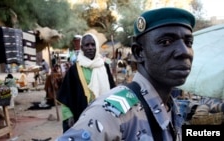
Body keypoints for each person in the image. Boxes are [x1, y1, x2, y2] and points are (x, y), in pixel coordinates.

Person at [55, 7, 195, 140]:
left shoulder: (171, 107)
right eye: (166, 42)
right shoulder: (111, 113)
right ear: (138, 52)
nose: (184, 51)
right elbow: (67, 94)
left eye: (189, 42)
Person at [57, 33, 116, 133]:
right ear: (82, 48)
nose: (90, 48)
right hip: (81, 116)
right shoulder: (74, 70)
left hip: (103, 115)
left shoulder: (104, 66)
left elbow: (112, 92)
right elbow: (66, 95)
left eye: (93, 44)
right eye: (87, 45)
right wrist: (68, 116)